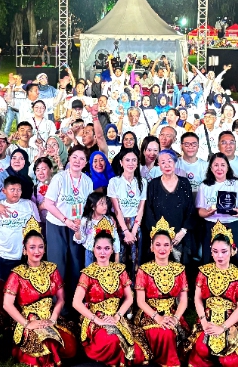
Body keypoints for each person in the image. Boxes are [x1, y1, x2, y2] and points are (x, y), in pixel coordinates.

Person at [3, 218, 78, 367]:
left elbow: (61, 298)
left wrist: (53, 318)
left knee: (71, 346)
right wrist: (27, 324)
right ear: (24, 250)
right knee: (44, 347)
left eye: (40, 247)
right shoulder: (17, 274)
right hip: (29, 319)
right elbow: (7, 304)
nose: (37, 251)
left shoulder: (51, 268)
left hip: (50, 316)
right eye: (32, 247)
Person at [72, 223, 147, 366]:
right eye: (99, 248)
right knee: (112, 339)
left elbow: (129, 298)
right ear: (93, 249)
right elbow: (76, 302)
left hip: (116, 316)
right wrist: (97, 320)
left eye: (107, 248)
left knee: (137, 352)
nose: (102, 252)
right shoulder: (88, 273)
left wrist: (117, 316)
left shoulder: (120, 270)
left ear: (112, 250)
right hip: (95, 319)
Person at [188, 221, 238, 367]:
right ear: (210, 251)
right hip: (208, 316)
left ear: (232, 250)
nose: (219, 256)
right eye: (215, 251)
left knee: (230, 359)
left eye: (224, 251)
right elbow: (197, 298)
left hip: (231, 319)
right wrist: (203, 321)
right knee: (202, 349)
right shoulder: (204, 271)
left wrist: (223, 327)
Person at [135, 218, 191, 367]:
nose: (162, 249)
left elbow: (184, 300)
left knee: (172, 332)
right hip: (149, 314)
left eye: (166, 245)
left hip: (173, 313)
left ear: (171, 247)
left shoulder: (179, 269)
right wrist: (158, 318)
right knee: (163, 332)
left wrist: (176, 318)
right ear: (152, 247)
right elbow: (140, 301)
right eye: (158, 245)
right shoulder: (144, 270)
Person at [41, 147, 93, 300]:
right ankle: (58, 306)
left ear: (86, 163)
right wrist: (65, 220)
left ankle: (74, 305)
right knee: (58, 265)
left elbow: (88, 206)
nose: (77, 161)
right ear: (69, 158)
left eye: (82, 158)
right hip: (57, 225)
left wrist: (80, 221)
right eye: (75, 157)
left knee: (76, 265)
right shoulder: (60, 178)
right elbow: (48, 203)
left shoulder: (87, 181)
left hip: (77, 228)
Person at [142, 150, 196, 265]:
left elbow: (191, 209)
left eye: (170, 161)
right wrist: (160, 237)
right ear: (158, 165)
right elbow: (149, 212)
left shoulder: (184, 183)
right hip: (159, 238)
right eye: (163, 162)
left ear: (175, 163)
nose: (167, 165)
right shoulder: (153, 184)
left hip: (181, 236)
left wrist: (182, 232)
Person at [0, 176, 40, 282]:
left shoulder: (29, 205)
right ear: (4, 191)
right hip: (2, 256)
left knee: (24, 289)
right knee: (2, 289)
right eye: (12, 190)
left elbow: (37, 229)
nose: (16, 193)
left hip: (23, 256)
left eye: (19, 190)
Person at [197, 153, 238, 265]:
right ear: (210, 167)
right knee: (209, 260)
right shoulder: (204, 186)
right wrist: (207, 213)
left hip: (232, 225)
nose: (219, 168)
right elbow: (200, 211)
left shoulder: (237, 184)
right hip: (211, 225)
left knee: (235, 260)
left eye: (222, 165)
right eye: (216, 165)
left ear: (227, 167)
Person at [108, 148, 146, 276]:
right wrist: (125, 231)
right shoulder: (114, 182)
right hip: (120, 224)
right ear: (121, 162)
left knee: (136, 258)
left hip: (135, 224)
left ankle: (135, 287)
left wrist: (134, 231)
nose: (131, 163)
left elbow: (141, 209)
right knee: (120, 256)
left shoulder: (142, 182)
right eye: (127, 160)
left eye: (134, 160)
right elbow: (117, 209)